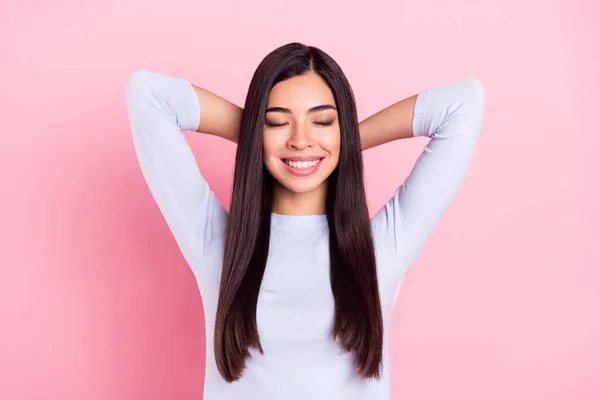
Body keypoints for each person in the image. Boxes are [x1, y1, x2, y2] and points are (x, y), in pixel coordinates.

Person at [125, 42, 485, 400]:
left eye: (323, 121)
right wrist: (257, 137)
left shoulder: (383, 245)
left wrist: (338, 142)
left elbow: (462, 105)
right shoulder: (218, 242)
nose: (300, 140)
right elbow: (149, 95)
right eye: (278, 122)